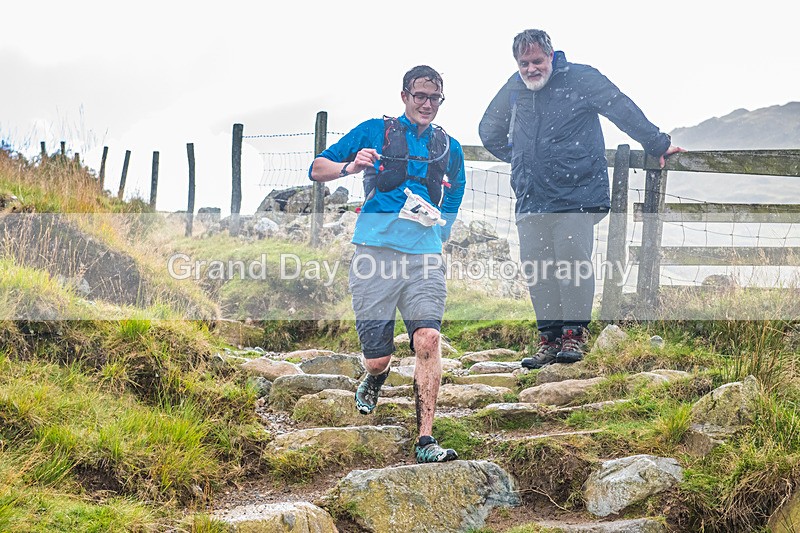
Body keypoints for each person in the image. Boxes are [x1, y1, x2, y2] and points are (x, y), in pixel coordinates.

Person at [479, 29, 684, 369]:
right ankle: (549, 340)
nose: (531, 69)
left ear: (552, 55)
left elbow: (621, 108)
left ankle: (574, 335)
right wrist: (521, 159)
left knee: (572, 260)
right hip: (532, 195)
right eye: (524, 63)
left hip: (576, 192)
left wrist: (657, 143)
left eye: (537, 61)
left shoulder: (581, 78)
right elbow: (488, 129)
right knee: (538, 268)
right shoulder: (514, 87)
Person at [309, 65, 466, 463]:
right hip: (374, 254)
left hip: (424, 257)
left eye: (435, 98)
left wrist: (441, 230)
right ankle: (375, 376)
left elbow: (457, 189)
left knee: (428, 339)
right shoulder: (373, 131)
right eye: (420, 96)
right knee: (378, 357)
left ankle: (426, 440)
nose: (428, 104)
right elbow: (316, 169)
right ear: (404, 97)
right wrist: (352, 166)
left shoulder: (449, 147)